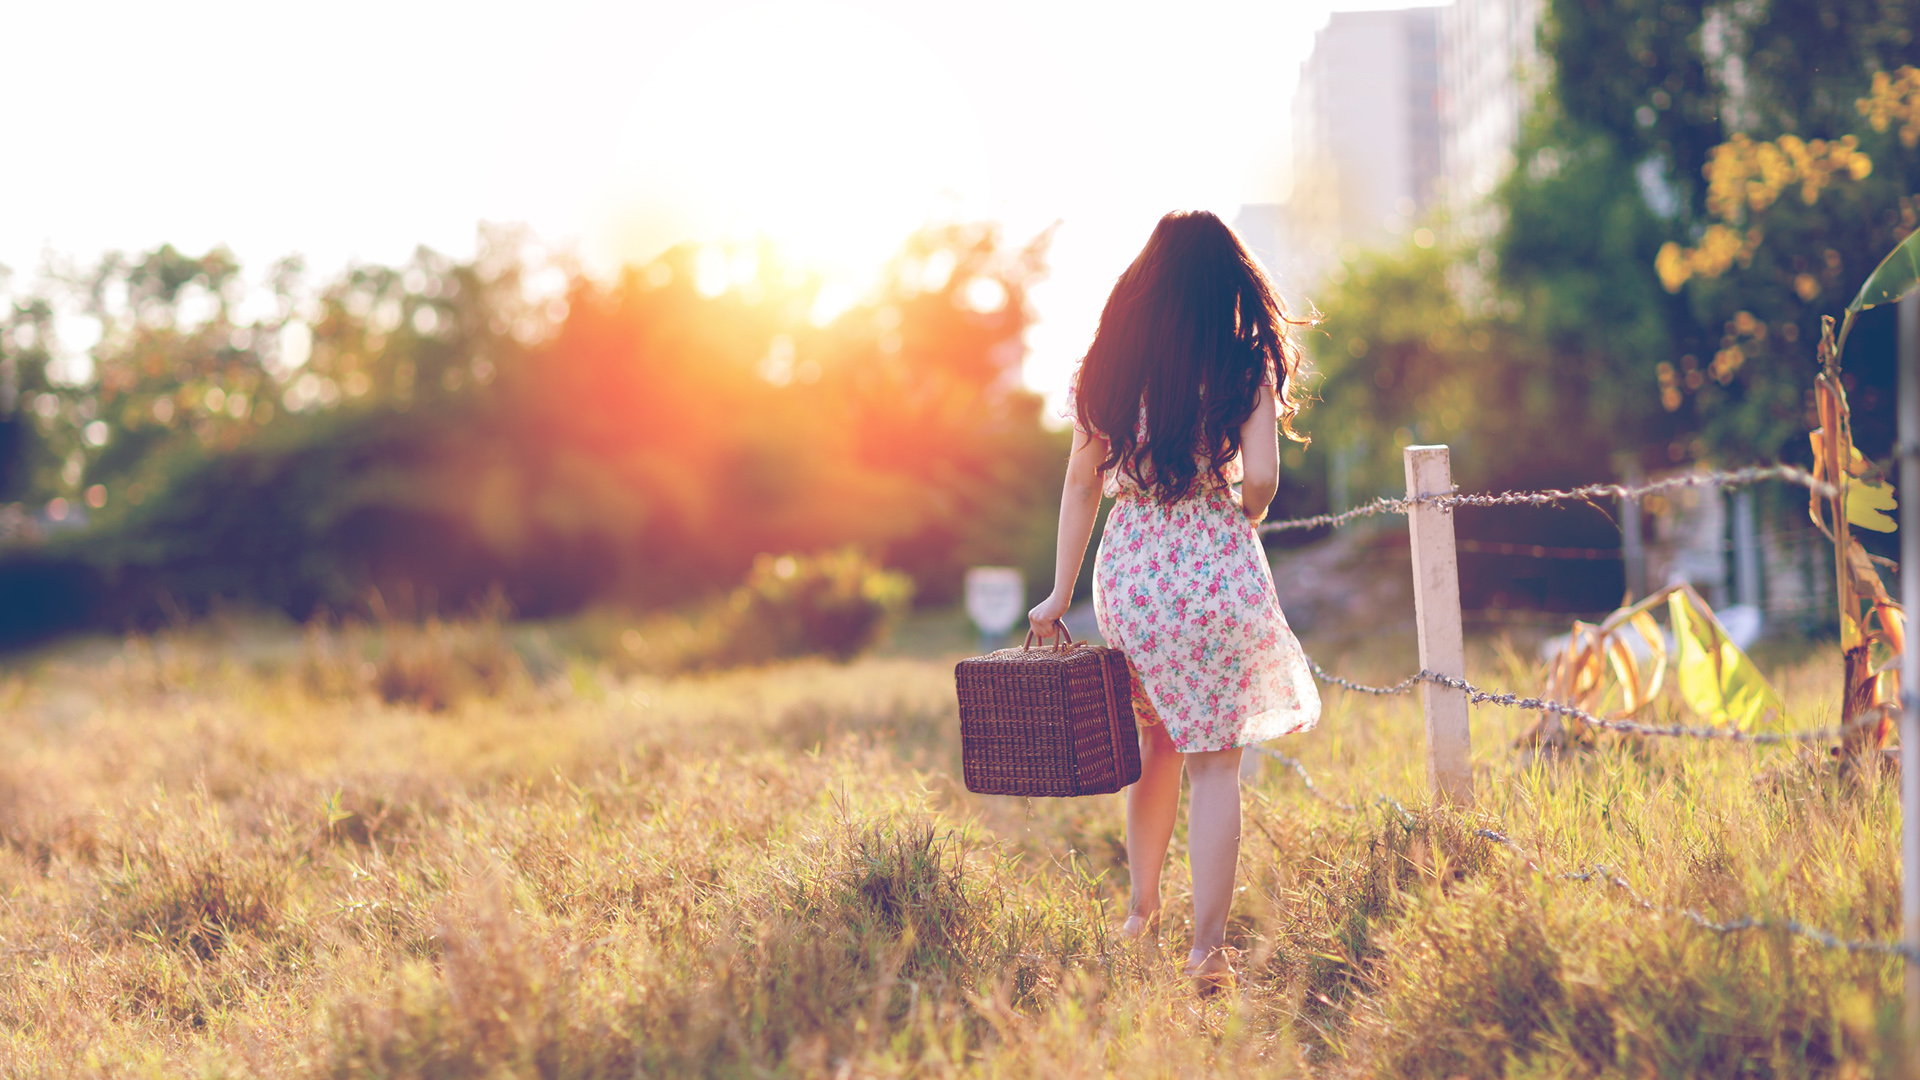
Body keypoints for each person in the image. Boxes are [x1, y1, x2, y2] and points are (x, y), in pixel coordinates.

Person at [1026, 210, 1321, 993]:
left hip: (1132, 579)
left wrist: (1058, 593)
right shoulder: (1243, 365)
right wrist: (1243, 512)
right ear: (1227, 284)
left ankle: (1140, 909)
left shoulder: (1109, 368)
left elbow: (1080, 483)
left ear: (1146, 282)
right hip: (1215, 570)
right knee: (1215, 765)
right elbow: (1260, 480)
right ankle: (1207, 952)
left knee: (1156, 744)